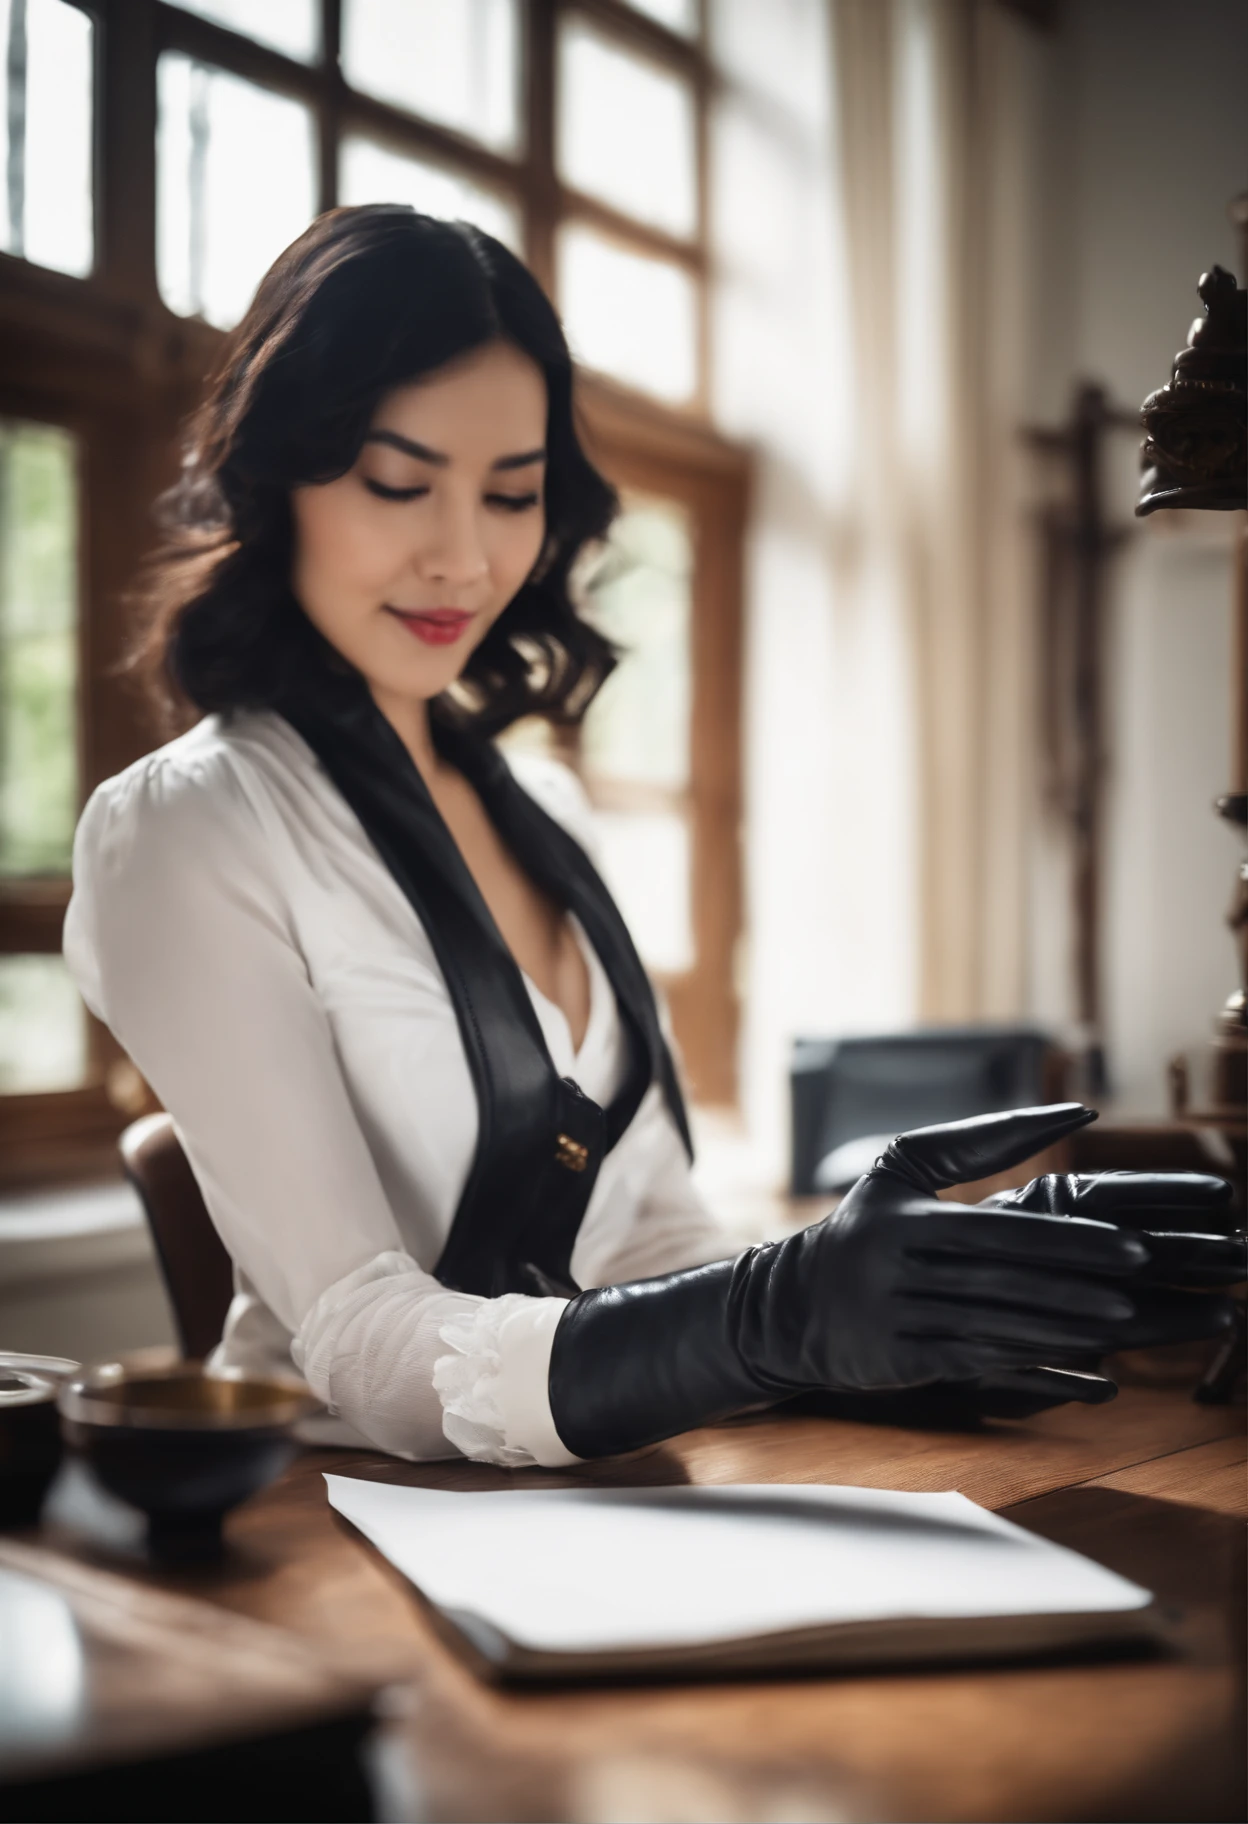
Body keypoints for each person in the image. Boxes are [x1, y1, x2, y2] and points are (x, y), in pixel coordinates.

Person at [63, 207, 1243, 1468]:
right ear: (276, 471)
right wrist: (769, 1316)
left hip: (621, 1495)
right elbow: (354, 1335)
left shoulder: (549, 818)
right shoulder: (185, 827)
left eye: (511, 494)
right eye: (397, 482)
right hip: (344, 1517)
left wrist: (961, 1286)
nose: (463, 556)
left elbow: (655, 1248)